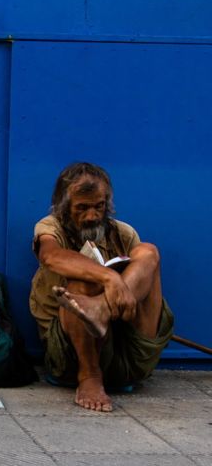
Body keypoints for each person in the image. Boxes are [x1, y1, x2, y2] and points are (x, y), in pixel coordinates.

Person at [29, 162, 174, 412]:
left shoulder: (123, 233)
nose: (92, 216)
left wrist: (109, 299)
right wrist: (109, 278)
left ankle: (99, 309)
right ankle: (90, 377)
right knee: (81, 279)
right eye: (82, 208)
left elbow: (141, 284)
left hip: (128, 353)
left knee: (148, 252)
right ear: (64, 207)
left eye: (99, 206)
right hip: (71, 357)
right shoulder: (50, 227)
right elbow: (50, 256)